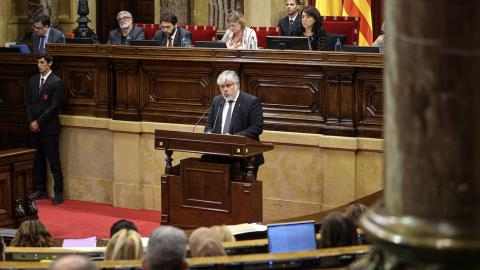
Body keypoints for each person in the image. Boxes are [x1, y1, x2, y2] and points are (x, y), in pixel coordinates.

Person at [204, 70, 264, 179]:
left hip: (245, 159)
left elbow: (257, 128)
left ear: (237, 84)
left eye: (228, 85)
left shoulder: (251, 102)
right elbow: (209, 124)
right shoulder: (217, 101)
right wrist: (209, 133)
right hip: (220, 156)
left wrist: (234, 138)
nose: (225, 89)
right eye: (222, 86)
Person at [26, 51, 65, 205]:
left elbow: (54, 107)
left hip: (49, 129)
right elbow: (28, 103)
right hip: (34, 128)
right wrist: (31, 122)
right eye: (38, 63)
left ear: (50, 63)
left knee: (54, 161)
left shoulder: (56, 82)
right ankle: (41, 190)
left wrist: (38, 123)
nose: (39, 66)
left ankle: (58, 192)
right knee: (38, 160)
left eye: (42, 62)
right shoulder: (33, 80)